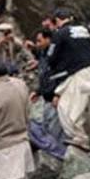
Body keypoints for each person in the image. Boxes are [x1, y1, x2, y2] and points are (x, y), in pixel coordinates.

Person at [47, 9, 90, 153]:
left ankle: (80, 138)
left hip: (78, 73)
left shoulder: (60, 33)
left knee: (67, 108)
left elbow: (51, 57)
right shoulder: (84, 29)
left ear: (58, 20)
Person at [29, 28, 66, 159]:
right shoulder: (44, 55)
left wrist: (58, 94)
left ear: (48, 39)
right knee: (47, 128)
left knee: (56, 131)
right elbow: (45, 76)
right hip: (46, 97)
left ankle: (61, 157)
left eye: (39, 41)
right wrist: (38, 91)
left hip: (56, 98)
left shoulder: (57, 55)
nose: (37, 44)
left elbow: (61, 76)